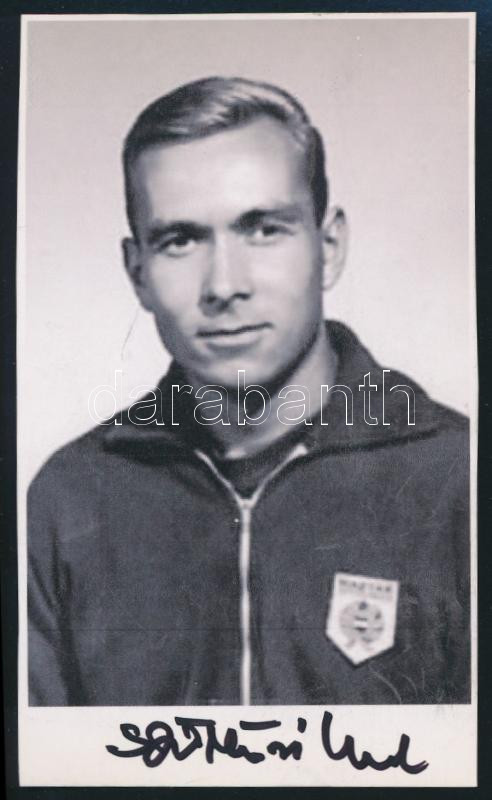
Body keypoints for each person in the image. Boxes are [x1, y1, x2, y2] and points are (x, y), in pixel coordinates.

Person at [28, 76, 470, 706]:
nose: (224, 285)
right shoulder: (69, 500)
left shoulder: (458, 478)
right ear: (137, 273)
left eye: (263, 229)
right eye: (181, 240)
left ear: (329, 247)